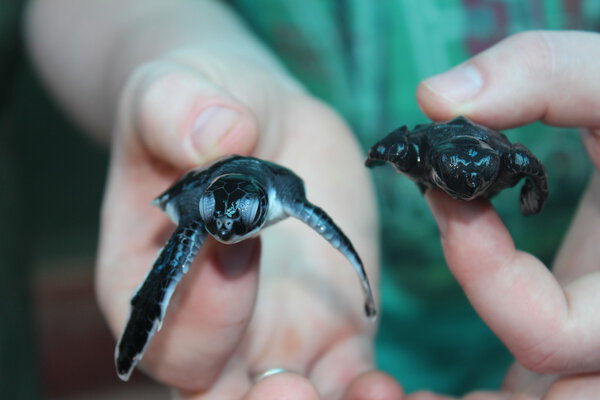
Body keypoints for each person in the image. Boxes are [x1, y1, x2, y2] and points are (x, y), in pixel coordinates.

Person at [26, 0, 600, 398]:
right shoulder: (222, 207)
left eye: (236, 219)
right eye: (216, 222)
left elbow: (524, 162)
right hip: (342, 338)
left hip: (562, 288)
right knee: (178, 265)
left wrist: (527, 190)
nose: (223, 227)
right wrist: (180, 47)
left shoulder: (295, 188)